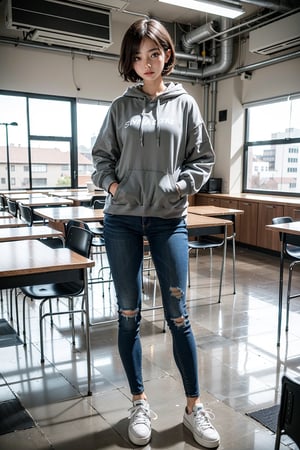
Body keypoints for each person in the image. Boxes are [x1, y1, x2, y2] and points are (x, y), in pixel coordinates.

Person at [92, 18, 220, 448]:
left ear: (167, 54)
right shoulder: (119, 107)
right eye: (137, 56)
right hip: (122, 220)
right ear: (130, 61)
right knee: (128, 313)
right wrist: (113, 186)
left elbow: (202, 159)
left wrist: (179, 185)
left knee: (178, 316)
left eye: (154, 53)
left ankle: (193, 407)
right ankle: (139, 400)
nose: (146, 63)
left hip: (169, 220)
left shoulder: (185, 104)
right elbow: (100, 159)